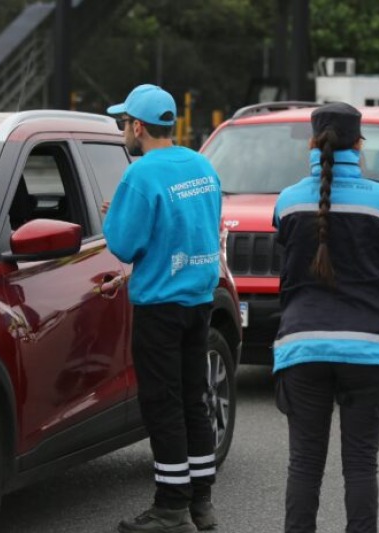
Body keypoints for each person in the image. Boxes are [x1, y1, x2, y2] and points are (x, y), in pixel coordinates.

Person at [272, 102, 379, 533]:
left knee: (304, 465)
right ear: (359, 143)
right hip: (371, 348)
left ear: (313, 144)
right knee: (360, 465)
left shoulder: (287, 201)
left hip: (302, 345)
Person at [103, 84, 222, 533]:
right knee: (195, 398)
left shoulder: (141, 175)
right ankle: (201, 501)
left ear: (138, 126)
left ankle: (171, 506)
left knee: (163, 403)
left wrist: (113, 214)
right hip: (199, 299)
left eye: (123, 123)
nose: (123, 131)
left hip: (160, 304)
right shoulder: (202, 165)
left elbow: (123, 243)